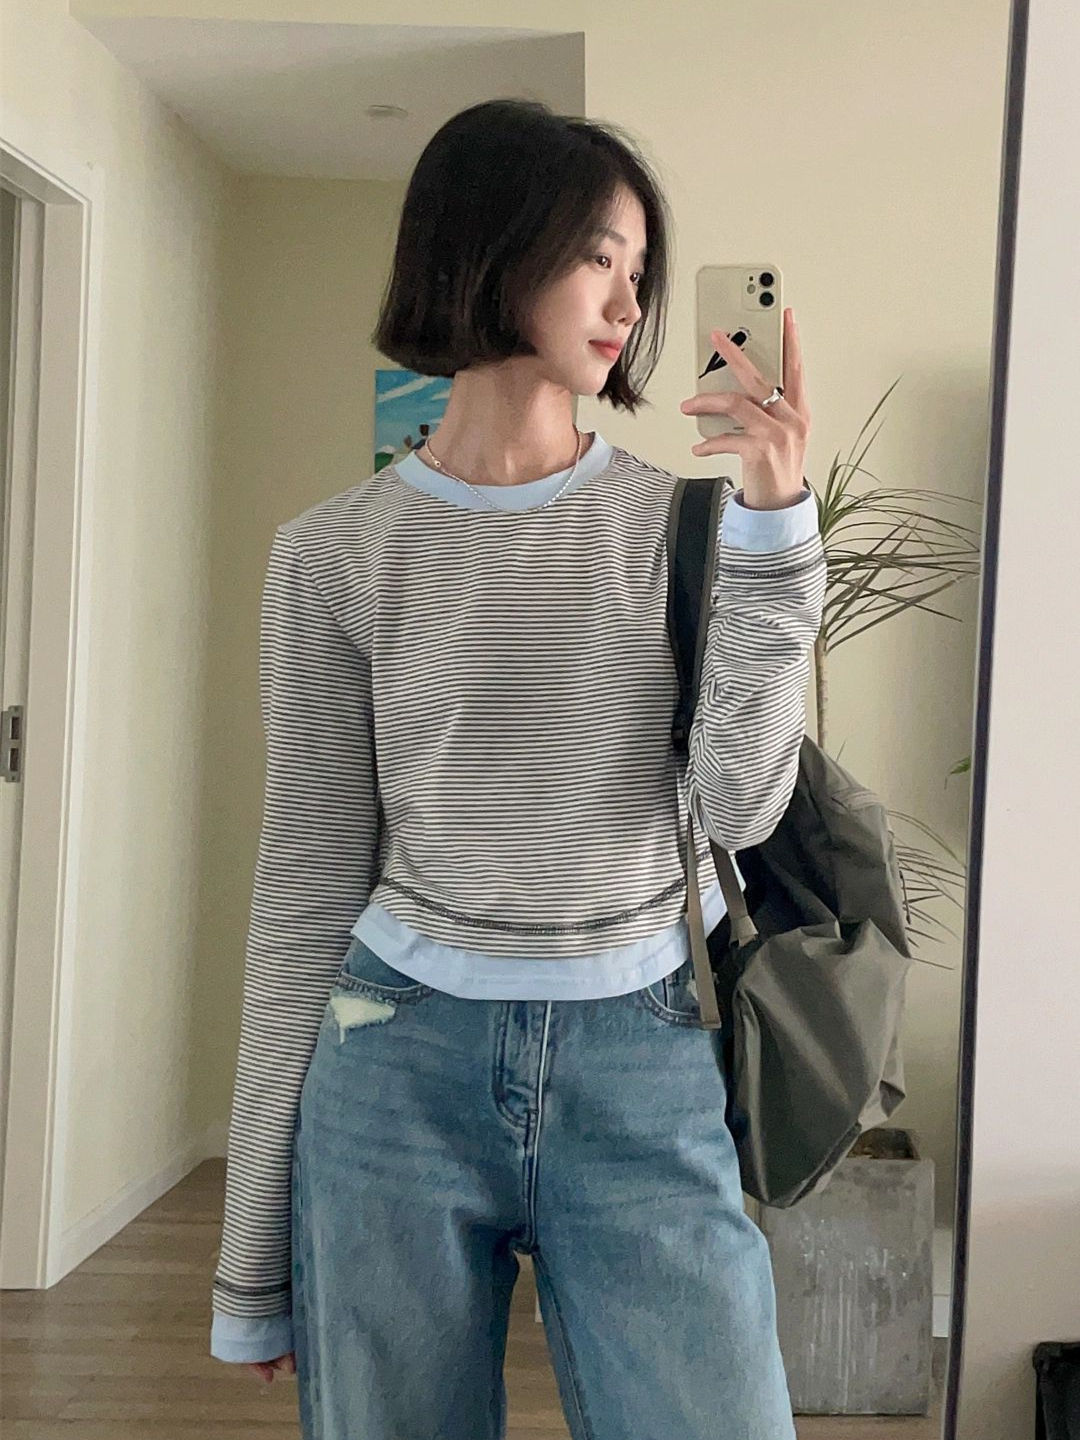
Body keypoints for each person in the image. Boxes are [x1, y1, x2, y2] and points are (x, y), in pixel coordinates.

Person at [209, 96, 824, 1439]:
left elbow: (740, 805)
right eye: (599, 256)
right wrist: (254, 1245)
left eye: (640, 271)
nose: (629, 303)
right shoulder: (332, 553)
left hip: (644, 1052)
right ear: (492, 245)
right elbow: (305, 889)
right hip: (392, 1063)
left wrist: (779, 527)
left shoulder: (691, 528)